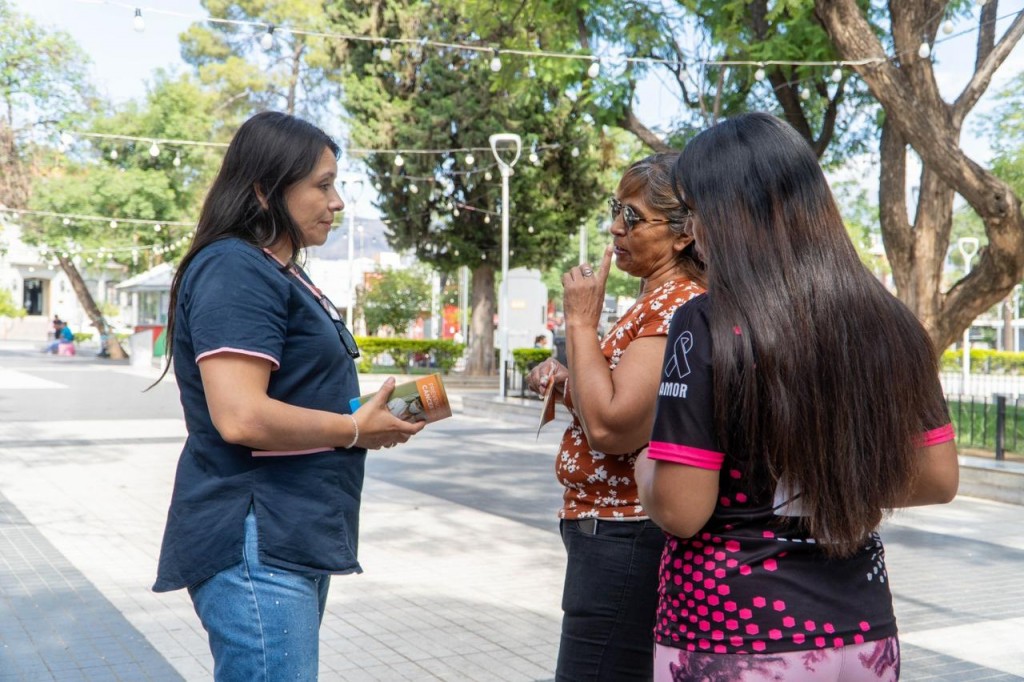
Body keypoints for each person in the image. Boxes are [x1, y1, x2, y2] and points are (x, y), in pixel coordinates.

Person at [635, 113, 959, 681]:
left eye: (694, 210)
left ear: (729, 213)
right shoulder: (890, 321)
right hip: (861, 636)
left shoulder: (707, 322)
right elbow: (937, 477)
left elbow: (681, 511)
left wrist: (646, 465)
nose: (693, 231)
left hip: (733, 635)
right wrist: (835, 465)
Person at [150, 111, 425, 681]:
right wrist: (354, 430)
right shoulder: (234, 268)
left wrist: (371, 417)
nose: (338, 201)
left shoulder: (278, 271)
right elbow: (241, 416)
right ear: (264, 190)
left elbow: (288, 395)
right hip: (254, 535)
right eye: (322, 185)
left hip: (286, 534)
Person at [526, 153, 706, 681]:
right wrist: (569, 380)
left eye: (631, 216)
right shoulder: (657, 299)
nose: (614, 227)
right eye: (615, 210)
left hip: (626, 535)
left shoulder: (677, 304)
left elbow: (614, 425)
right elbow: (617, 400)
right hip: (610, 532)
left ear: (682, 234)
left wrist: (581, 322)